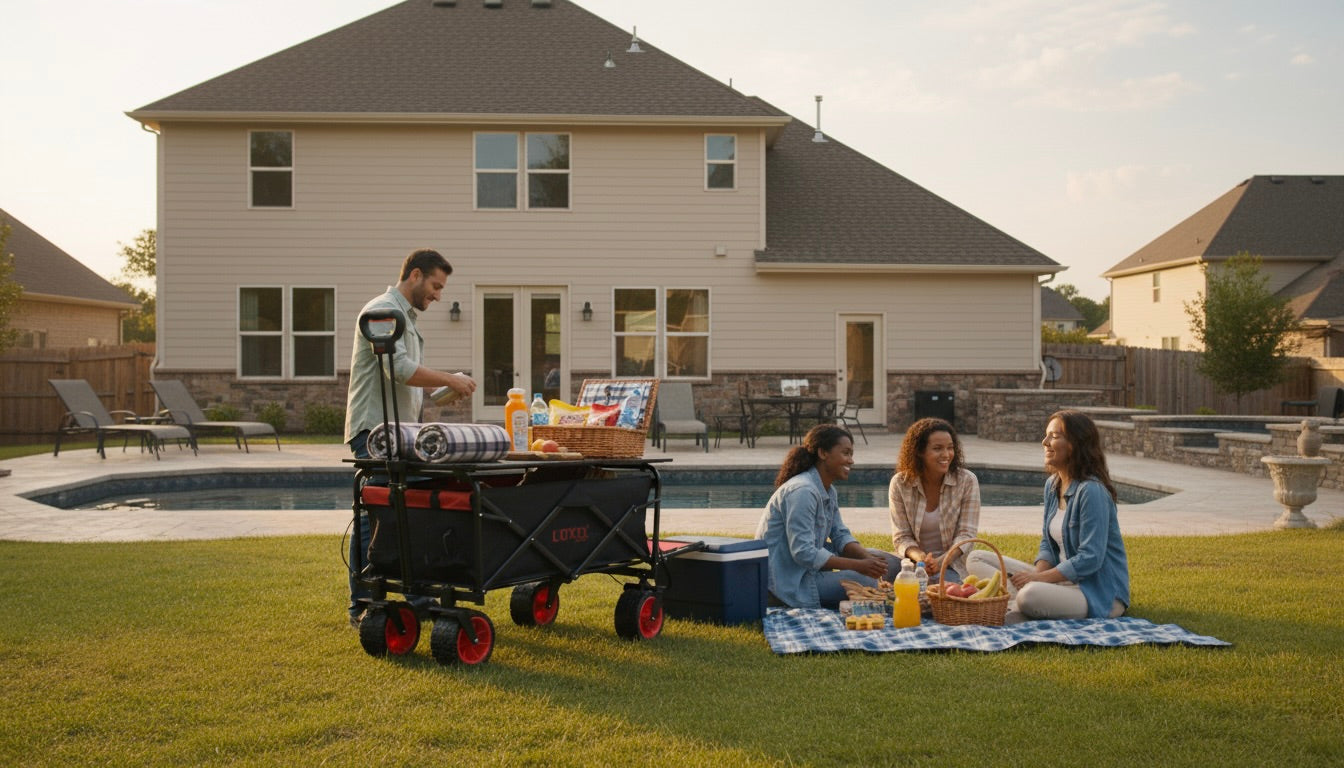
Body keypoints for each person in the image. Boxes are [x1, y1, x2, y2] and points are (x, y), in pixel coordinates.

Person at [344, 248, 476, 627]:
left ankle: (415, 596)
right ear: (415, 275)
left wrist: (443, 392)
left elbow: (407, 379)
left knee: (410, 511)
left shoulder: (405, 317)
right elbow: (397, 369)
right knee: (375, 516)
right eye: (435, 285)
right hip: (374, 431)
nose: (438, 294)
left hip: (397, 433)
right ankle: (363, 606)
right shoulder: (383, 311)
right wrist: (449, 378)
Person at [967, 409, 1130, 623]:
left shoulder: (1092, 491)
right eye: (1046, 435)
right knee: (976, 558)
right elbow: (1048, 543)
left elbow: (1090, 558)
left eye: (1054, 436)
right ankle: (1018, 606)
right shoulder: (1053, 485)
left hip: (1095, 591)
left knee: (1029, 595)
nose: (1045, 442)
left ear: (1076, 444)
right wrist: (1037, 576)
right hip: (1057, 582)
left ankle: (1015, 607)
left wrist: (1037, 580)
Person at [754, 424, 900, 609]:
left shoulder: (828, 490)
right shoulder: (802, 491)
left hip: (812, 571)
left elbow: (840, 534)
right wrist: (859, 566)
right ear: (823, 453)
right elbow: (803, 552)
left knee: (890, 563)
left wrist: (866, 558)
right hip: (791, 583)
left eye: (851, 454)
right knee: (867, 582)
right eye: (846, 453)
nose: (851, 461)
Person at [888, 417, 980, 584]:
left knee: (942, 588)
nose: (946, 455)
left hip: (950, 566)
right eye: (937, 448)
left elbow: (966, 535)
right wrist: (921, 559)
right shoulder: (900, 483)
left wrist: (940, 562)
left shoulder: (967, 481)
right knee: (874, 558)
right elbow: (901, 536)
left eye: (950, 448)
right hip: (911, 563)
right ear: (919, 451)